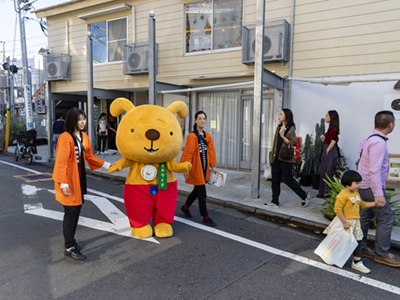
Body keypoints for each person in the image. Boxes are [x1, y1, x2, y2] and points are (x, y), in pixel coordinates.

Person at [52, 107, 111, 261]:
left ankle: (71, 241)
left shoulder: (84, 136)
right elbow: (61, 162)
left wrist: (106, 165)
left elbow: (90, 156)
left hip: (78, 179)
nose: (82, 122)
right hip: (68, 179)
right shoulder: (65, 137)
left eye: (83, 119)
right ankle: (69, 246)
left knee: (76, 210)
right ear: (72, 120)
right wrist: (63, 183)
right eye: (79, 119)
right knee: (70, 212)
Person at [357, 110, 400, 267]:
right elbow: (374, 170)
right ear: (390, 125)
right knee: (387, 217)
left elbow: (360, 155)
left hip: (363, 185)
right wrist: (378, 194)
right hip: (371, 188)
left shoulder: (368, 138)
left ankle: (360, 248)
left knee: (365, 217)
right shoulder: (379, 143)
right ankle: (382, 254)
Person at [321, 170, 376, 273]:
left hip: (355, 222)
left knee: (358, 241)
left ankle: (357, 262)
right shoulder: (342, 195)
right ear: (347, 183)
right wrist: (344, 222)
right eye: (356, 183)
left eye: (359, 182)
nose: (359, 185)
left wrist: (373, 204)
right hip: (345, 222)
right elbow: (337, 210)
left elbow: (361, 204)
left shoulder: (356, 193)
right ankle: (328, 255)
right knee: (338, 240)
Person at [264, 109, 310, 208]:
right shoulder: (279, 127)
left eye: (281, 114)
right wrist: (272, 157)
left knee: (288, 180)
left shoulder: (291, 129)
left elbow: (293, 143)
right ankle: (274, 201)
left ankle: (304, 195)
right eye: (279, 114)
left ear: (286, 116)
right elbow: (275, 144)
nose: (279, 116)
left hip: (286, 159)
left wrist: (282, 135)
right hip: (276, 159)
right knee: (274, 181)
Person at [179, 111, 217, 227]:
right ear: (195, 120)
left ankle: (185, 208)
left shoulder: (207, 136)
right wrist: (186, 167)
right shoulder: (192, 136)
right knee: (202, 193)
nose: (202, 121)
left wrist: (213, 166)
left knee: (197, 190)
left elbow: (210, 151)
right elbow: (188, 153)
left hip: (204, 167)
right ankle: (205, 217)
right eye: (200, 118)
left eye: (204, 119)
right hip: (196, 167)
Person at [318, 110, 340, 198]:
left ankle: (325, 193)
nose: (325, 118)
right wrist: (324, 140)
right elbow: (331, 139)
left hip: (329, 151)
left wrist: (327, 150)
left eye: (327, 116)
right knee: (325, 171)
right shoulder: (331, 128)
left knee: (326, 171)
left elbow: (333, 141)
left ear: (331, 118)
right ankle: (323, 193)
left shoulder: (332, 128)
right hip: (328, 149)